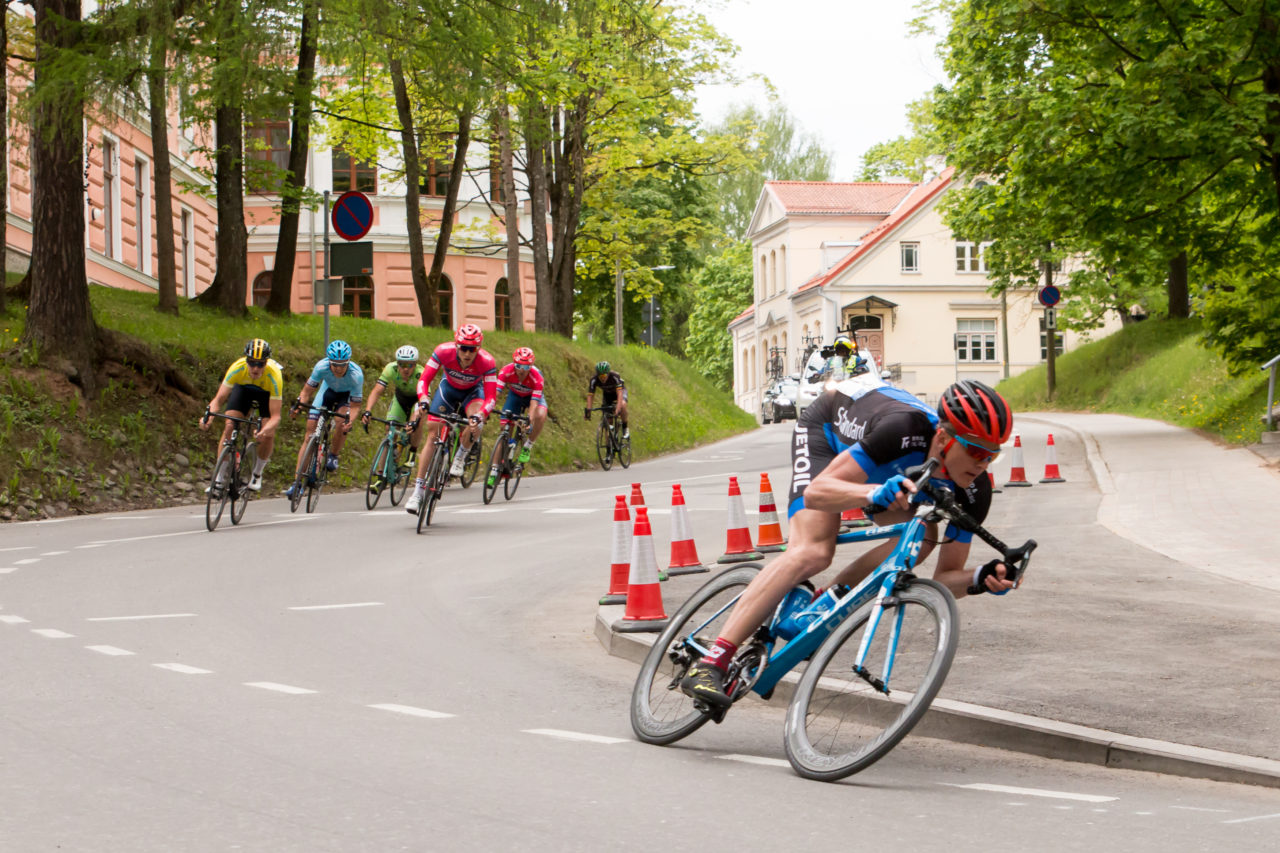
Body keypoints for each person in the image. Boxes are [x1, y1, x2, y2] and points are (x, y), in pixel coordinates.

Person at [680, 379, 1018, 712]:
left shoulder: (975, 492)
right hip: (826, 431)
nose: (982, 464)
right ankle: (712, 661)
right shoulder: (902, 430)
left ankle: (823, 601)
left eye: (993, 455)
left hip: (889, 465)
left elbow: (945, 579)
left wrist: (979, 579)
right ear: (943, 438)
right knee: (814, 551)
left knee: (923, 538)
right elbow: (817, 492)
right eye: (975, 451)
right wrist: (871, 493)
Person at [404, 324, 498, 514]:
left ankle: (461, 455)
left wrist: (480, 416)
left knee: (475, 422)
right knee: (432, 434)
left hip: (473, 393)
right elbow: (424, 380)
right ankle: (417, 492)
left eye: (472, 349)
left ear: (478, 349)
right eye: (463, 348)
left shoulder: (487, 362)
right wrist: (423, 399)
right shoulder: (442, 351)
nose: (467, 353)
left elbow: (491, 398)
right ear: (456, 345)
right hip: (448, 390)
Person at [199, 338, 283, 492]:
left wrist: (264, 430)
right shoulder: (237, 368)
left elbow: (276, 417)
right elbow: (218, 400)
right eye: (251, 362)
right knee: (230, 425)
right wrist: (208, 416)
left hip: (266, 394)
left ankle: (257, 473)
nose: (255, 368)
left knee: (268, 433)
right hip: (244, 390)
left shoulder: (274, 375)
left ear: (267, 362)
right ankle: (219, 479)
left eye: (260, 364)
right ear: (246, 360)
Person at [284, 339, 364, 498]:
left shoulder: (356, 375)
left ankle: (333, 455)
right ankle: (297, 482)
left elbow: (355, 407)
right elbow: (306, 392)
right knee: (309, 434)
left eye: (342, 364)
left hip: (345, 396)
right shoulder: (321, 367)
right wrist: (299, 405)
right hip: (326, 393)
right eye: (335, 364)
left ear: (348, 362)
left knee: (342, 422)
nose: (338, 368)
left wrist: (350, 421)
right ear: (329, 361)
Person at [360, 344, 425, 457]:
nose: (405, 368)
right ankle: (381, 471)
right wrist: (368, 410)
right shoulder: (391, 368)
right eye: (402, 364)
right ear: (397, 364)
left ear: (415, 365)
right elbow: (377, 391)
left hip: (417, 400)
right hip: (401, 399)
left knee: (415, 425)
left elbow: (424, 398)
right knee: (389, 430)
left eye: (410, 365)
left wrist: (415, 420)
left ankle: (412, 454)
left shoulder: (421, 373)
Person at [493, 346, 548, 466]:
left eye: (526, 367)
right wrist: (488, 407)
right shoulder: (506, 371)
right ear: (514, 364)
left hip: (532, 397)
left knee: (540, 415)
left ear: (531, 366)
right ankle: (494, 467)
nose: (522, 370)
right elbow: (496, 392)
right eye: (518, 366)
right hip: (515, 396)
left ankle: (528, 446)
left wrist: (530, 419)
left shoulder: (537, 377)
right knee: (504, 429)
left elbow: (534, 402)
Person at [584, 360, 628, 438]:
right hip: (608, 395)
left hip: (620, 392)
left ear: (608, 374)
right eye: (600, 376)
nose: (602, 378)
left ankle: (625, 427)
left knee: (623, 405)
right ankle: (609, 445)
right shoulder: (594, 380)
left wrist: (618, 408)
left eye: (604, 376)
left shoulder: (614, 376)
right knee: (608, 420)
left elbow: (619, 393)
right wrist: (588, 410)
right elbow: (590, 396)